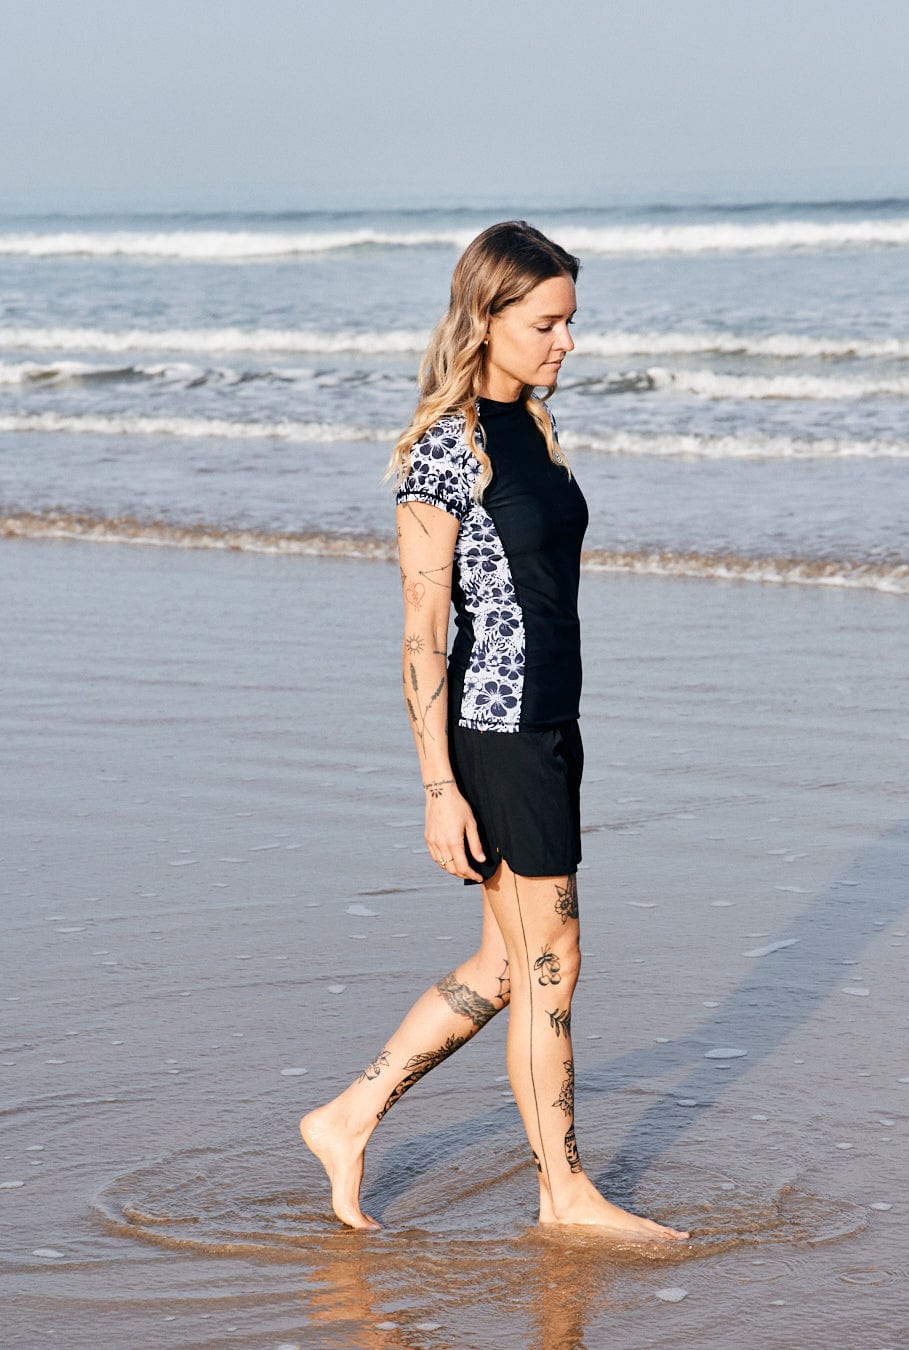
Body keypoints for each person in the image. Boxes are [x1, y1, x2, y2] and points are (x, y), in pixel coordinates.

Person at [300, 221, 687, 1241]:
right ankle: (565, 1196)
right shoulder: (445, 446)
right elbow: (423, 635)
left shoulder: (535, 430)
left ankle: (346, 1118)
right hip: (495, 727)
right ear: (489, 316)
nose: (567, 343)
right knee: (552, 956)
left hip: (553, 723)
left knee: (509, 965)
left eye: (571, 323)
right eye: (548, 323)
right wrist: (439, 787)